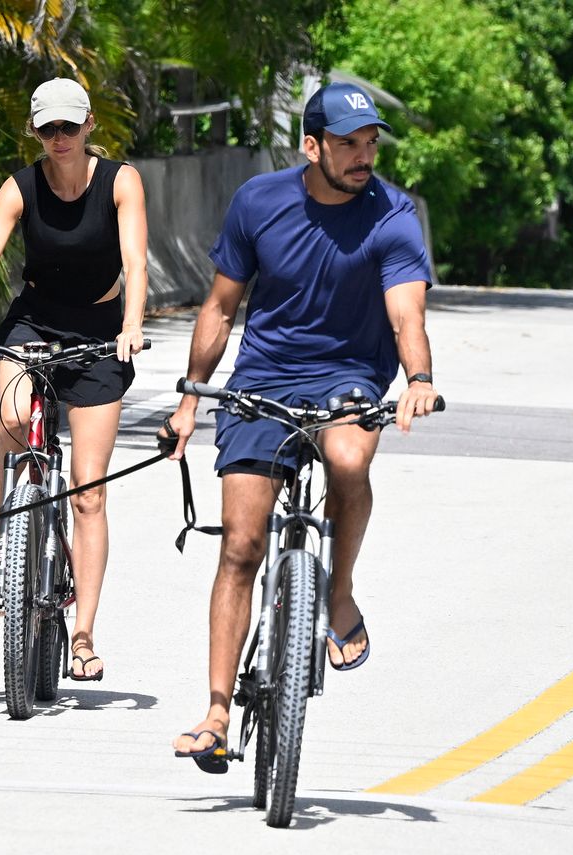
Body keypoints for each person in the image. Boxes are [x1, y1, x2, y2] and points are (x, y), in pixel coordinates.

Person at [165, 82, 440, 761]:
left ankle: (338, 595)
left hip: (349, 374)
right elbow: (221, 307)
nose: (363, 155)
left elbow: (407, 314)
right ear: (311, 145)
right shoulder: (259, 203)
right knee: (240, 545)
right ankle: (217, 712)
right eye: (347, 143)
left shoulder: (393, 215)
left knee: (348, 460)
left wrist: (420, 380)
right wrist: (191, 401)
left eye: (370, 142)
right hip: (261, 378)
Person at [0, 77, 148, 682]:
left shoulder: (120, 182)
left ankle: (82, 635)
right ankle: (0, 514)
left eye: (68, 128)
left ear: (87, 127)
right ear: (34, 130)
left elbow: (134, 261)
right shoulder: (20, 187)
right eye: (47, 128)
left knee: (89, 491)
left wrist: (131, 323)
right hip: (35, 321)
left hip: (102, 329)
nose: (58, 139)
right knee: (15, 416)